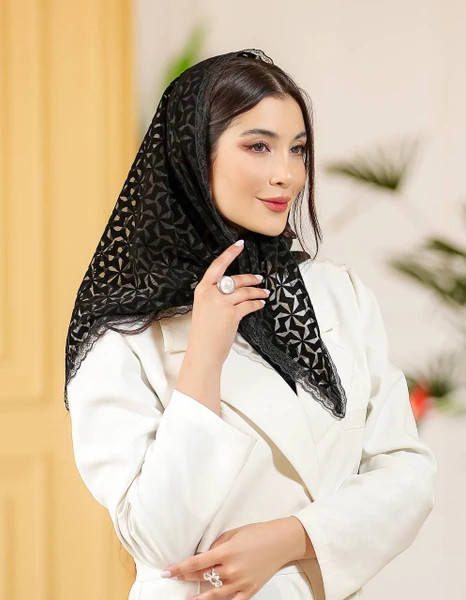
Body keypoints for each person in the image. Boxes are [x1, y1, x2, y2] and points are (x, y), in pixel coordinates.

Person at [64, 49, 437, 600]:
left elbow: (408, 474)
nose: (286, 174)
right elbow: (158, 539)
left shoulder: (340, 294)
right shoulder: (121, 328)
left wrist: (292, 538)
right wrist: (204, 355)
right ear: (194, 155)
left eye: (298, 149)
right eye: (258, 146)